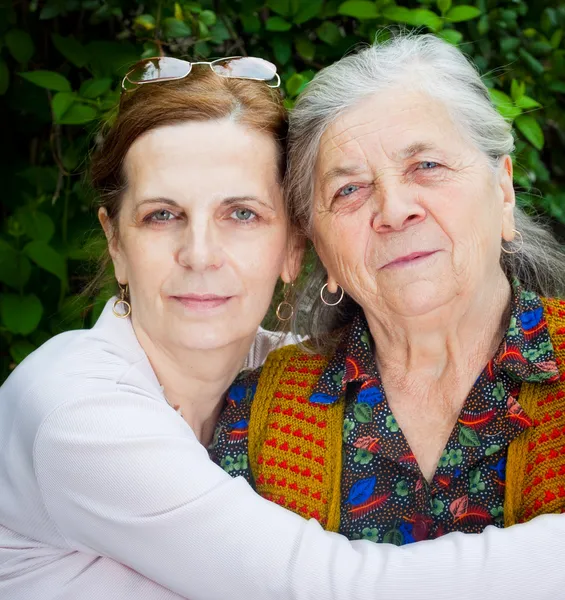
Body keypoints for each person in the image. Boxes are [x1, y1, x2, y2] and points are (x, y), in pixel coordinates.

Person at [1, 53, 565, 600]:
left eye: (242, 213)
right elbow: (321, 587)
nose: (200, 255)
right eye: (162, 215)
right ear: (116, 244)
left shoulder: (271, 368)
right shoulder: (84, 414)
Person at [212, 33, 565, 548]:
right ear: (320, 247)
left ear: (503, 190)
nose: (395, 210)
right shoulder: (256, 412)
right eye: (349, 190)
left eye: (427, 166)